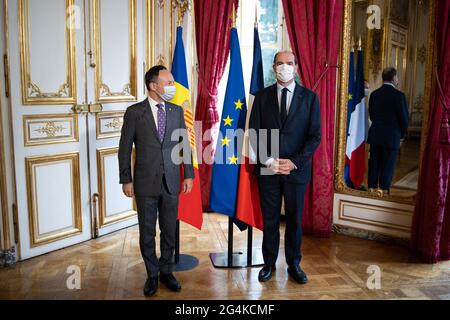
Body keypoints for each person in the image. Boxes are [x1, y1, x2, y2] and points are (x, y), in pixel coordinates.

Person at [118, 65, 194, 297]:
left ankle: (166, 271)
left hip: (171, 180)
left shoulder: (175, 111)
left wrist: (188, 173)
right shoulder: (134, 112)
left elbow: (183, 144)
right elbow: (124, 148)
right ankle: (152, 275)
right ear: (154, 86)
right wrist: (126, 180)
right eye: (168, 83)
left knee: (170, 230)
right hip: (144, 182)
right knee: (147, 232)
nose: (172, 87)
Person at [249, 51, 321, 284]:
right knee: (270, 219)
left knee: (294, 220)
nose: (285, 67)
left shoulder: (310, 98)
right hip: (269, 168)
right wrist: (269, 161)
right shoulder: (261, 97)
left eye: (289, 63)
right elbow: (254, 134)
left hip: (296, 169)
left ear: (297, 68)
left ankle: (294, 264)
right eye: (280, 63)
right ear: (273, 67)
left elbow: (315, 137)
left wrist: (294, 162)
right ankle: (268, 263)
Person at [367, 67, 409, 194]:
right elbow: (404, 120)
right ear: (394, 78)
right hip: (392, 137)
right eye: (397, 77)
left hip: (376, 136)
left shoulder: (374, 94)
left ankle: (371, 190)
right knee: (387, 167)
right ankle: (383, 192)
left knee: (374, 166)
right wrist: (401, 135)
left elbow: (372, 115)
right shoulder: (399, 96)